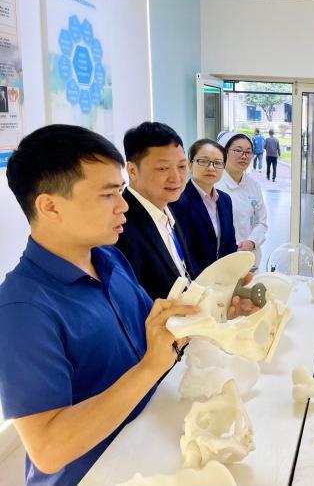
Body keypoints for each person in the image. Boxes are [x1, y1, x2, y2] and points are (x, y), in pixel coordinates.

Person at [0, 124, 200, 486]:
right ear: (50, 206)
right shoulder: (22, 309)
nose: (124, 206)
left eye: (120, 191)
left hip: (150, 444)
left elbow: (154, 332)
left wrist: (211, 310)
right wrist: (149, 369)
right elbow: (48, 450)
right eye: (108, 195)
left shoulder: (108, 259)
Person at [115, 122, 199, 301]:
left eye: (181, 166)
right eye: (163, 168)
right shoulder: (121, 225)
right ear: (132, 171)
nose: (176, 178)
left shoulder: (169, 208)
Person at [169, 138, 238, 272]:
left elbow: (230, 242)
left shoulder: (225, 200)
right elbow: (184, 252)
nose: (211, 168)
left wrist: (230, 274)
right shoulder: (178, 201)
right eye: (204, 161)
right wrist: (204, 281)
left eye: (217, 163)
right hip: (196, 280)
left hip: (223, 278)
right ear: (190, 165)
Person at [216, 132, 268, 266]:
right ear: (224, 152)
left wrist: (251, 242)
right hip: (223, 259)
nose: (244, 156)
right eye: (238, 150)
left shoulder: (254, 186)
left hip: (251, 257)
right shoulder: (215, 185)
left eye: (248, 152)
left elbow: (262, 222)